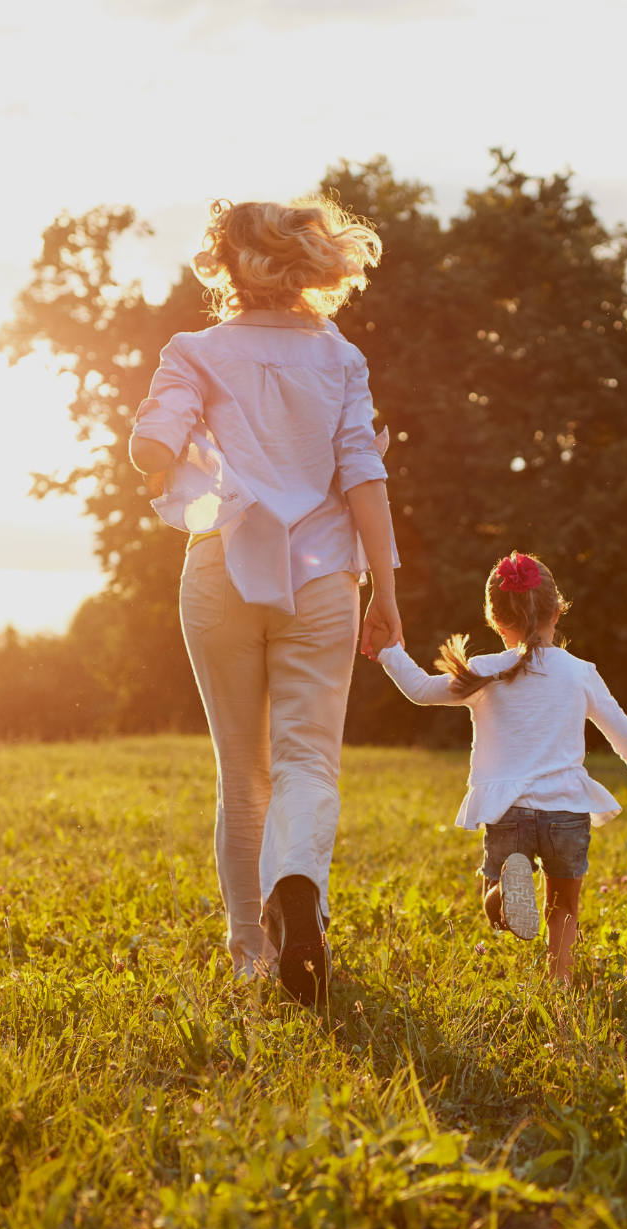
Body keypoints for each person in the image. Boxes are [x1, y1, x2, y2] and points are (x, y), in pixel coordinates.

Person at [128, 196, 402, 1009]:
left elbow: (153, 442)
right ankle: (300, 884)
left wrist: (154, 449)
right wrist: (386, 590)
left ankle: (251, 950)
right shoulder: (340, 358)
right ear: (306, 265)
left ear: (223, 264)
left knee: (240, 775)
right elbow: (364, 477)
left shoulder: (192, 350)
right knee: (307, 761)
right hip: (322, 579)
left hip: (221, 572)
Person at [375, 553, 627, 984]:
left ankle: (504, 895)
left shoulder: (485, 671)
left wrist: (389, 651)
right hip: (566, 810)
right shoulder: (579, 672)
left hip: (508, 810)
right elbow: (624, 730)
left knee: (496, 901)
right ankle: (560, 979)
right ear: (557, 611)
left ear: (494, 619)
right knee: (563, 904)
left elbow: (420, 691)